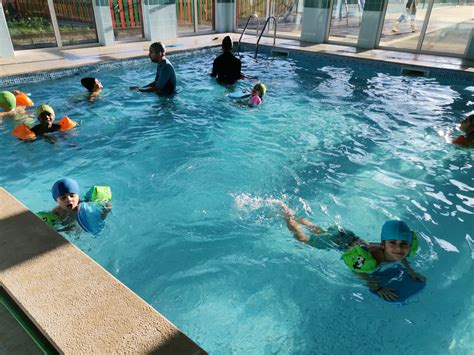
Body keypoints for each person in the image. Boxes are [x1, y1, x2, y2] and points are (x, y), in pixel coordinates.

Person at [283, 206, 426, 301]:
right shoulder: (375, 260)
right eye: (393, 244)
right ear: (383, 245)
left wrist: (411, 271)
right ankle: (288, 218)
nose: (399, 249)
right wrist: (379, 288)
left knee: (322, 232)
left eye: (404, 244)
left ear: (409, 245)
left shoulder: (398, 252)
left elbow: (402, 257)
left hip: (347, 235)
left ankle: (304, 221)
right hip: (338, 241)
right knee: (303, 239)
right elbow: (357, 270)